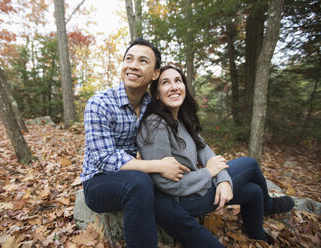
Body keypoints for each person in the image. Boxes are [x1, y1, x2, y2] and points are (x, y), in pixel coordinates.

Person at [81, 38, 224, 248]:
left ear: (155, 73)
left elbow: (184, 130)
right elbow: (104, 159)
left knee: (165, 203)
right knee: (139, 183)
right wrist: (158, 166)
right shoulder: (100, 103)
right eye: (128, 59)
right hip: (97, 182)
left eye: (142, 61)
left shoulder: (151, 105)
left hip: (133, 176)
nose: (133, 65)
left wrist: (220, 175)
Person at [136, 65, 295, 245]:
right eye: (165, 83)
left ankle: (258, 238)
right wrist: (208, 173)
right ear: (156, 94)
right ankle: (269, 206)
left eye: (178, 81)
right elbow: (164, 184)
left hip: (197, 188)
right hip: (185, 199)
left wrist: (223, 179)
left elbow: (205, 151)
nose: (174, 86)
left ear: (184, 88)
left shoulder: (181, 118)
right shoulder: (155, 124)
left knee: (254, 191)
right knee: (250, 163)